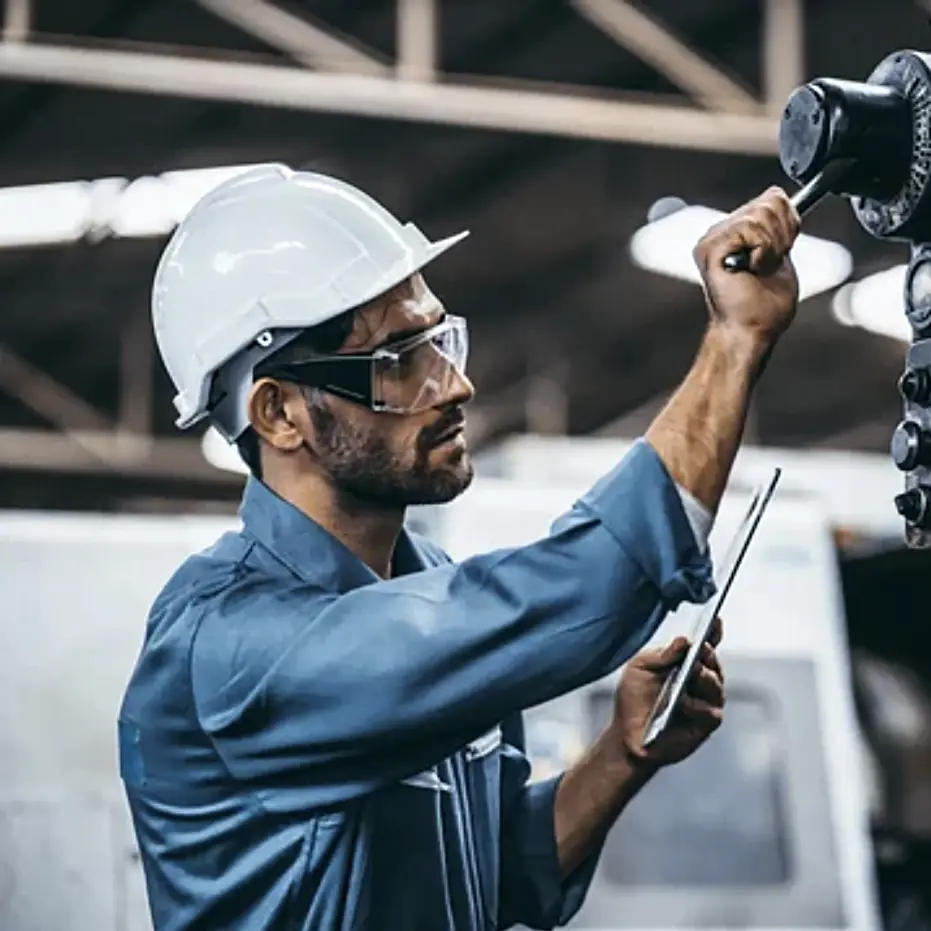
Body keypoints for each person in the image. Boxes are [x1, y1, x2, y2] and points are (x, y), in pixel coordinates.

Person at [118, 163, 800, 931]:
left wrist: (620, 752)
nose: (453, 385)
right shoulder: (230, 644)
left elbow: (494, 870)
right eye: (398, 361)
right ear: (278, 414)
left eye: (440, 341)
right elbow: (588, 585)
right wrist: (734, 339)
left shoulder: (424, 585)